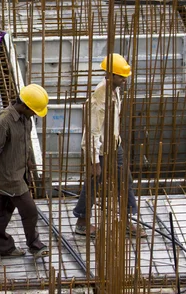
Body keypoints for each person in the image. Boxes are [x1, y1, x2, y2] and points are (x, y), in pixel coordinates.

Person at [73, 53, 146, 238]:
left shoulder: (115, 90)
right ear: (110, 75)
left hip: (114, 145)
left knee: (125, 180)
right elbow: (92, 133)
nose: (124, 80)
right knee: (93, 183)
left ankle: (126, 220)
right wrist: (94, 161)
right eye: (121, 76)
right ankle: (81, 222)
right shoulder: (100, 98)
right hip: (100, 149)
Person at [0, 84, 50, 258]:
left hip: (19, 171)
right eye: (34, 111)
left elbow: (24, 141)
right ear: (25, 106)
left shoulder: (25, 118)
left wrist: (28, 159)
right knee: (29, 211)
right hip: (9, 177)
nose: (36, 114)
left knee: (4, 212)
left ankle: (2, 247)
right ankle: (35, 245)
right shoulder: (4, 122)